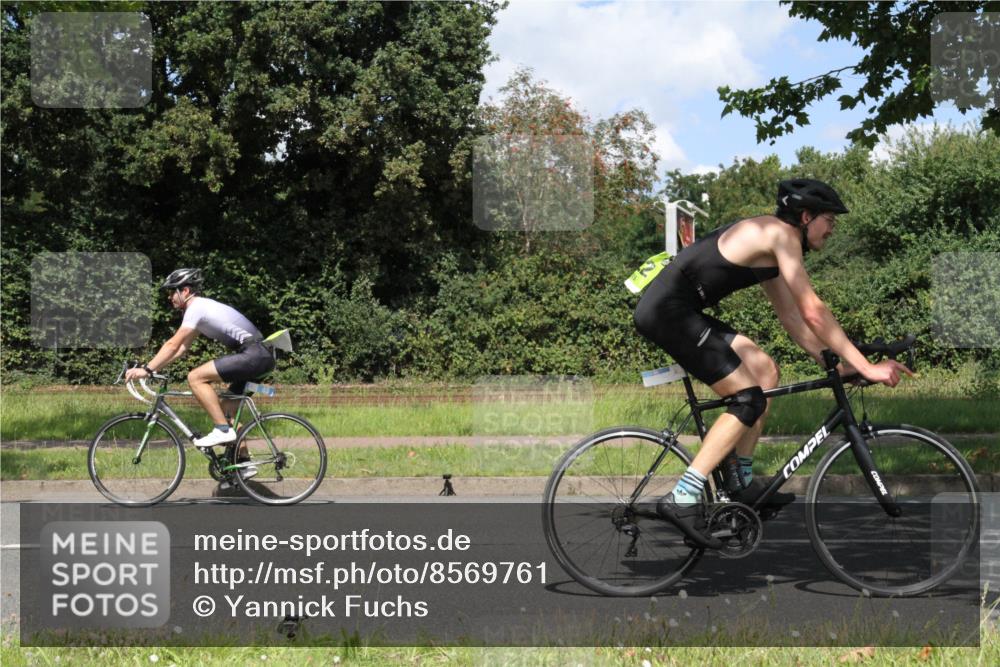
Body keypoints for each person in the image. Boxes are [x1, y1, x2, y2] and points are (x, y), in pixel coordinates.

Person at [633, 179, 913, 547]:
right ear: (806, 215)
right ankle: (682, 496)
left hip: (679, 310)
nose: (832, 229)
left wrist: (833, 364)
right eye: (830, 219)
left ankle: (741, 483)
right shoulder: (780, 235)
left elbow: (793, 318)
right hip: (668, 314)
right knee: (747, 398)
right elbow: (813, 311)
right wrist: (865, 366)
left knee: (765, 371)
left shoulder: (772, 241)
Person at [124, 269, 276, 460]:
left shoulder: (196, 308)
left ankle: (221, 430)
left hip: (254, 354)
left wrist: (146, 370)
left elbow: (172, 344)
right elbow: (180, 349)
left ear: (185, 291)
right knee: (227, 409)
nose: (170, 297)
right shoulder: (199, 310)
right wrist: (155, 369)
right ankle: (244, 462)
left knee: (195, 377)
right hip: (260, 355)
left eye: (172, 292)